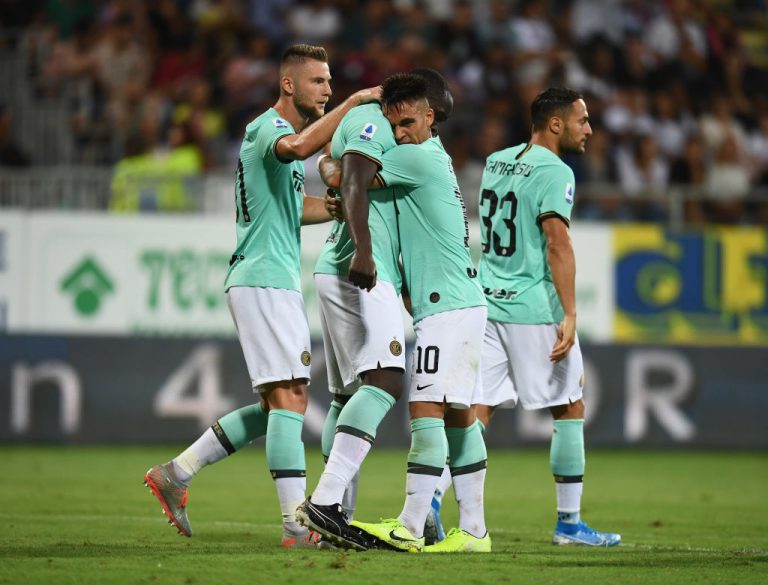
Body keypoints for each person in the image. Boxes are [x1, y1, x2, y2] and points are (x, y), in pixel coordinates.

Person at [143, 44, 381, 548]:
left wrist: (337, 206)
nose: (328, 89)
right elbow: (298, 149)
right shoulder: (268, 130)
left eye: (331, 82)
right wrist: (355, 103)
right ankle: (296, 527)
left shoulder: (282, 143)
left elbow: (293, 207)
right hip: (262, 280)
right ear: (288, 84)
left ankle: (177, 473)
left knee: (278, 404)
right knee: (291, 398)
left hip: (271, 280)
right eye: (319, 81)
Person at [295, 69, 454, 551]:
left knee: (347, 396)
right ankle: (325, 502)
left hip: (346, 267)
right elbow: (353, 179)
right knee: (386, 379)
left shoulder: (374, 123)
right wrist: (364, 252)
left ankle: (333, 517)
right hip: (360, 266)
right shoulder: (374, 120)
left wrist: (332, 169)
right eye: (420, 117)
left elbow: (334, 162)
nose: (410, 131)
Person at [343, 73, 490, 553]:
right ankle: (474, 531)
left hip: (447, 309)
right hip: (460, 303)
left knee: (425, 409)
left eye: (407, 122)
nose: (399, 133)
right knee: (461, 417)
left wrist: (330, 162)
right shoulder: (434, 156)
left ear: (430, 117)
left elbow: (348, 177)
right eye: (394, 125)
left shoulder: (416, 158)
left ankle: (408, 525)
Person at [474, 87, 620, 546]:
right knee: (570, 406)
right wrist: (570, 312)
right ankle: (569, 524)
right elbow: (557, 243)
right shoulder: (557, 172)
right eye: (582, 120)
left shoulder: (496, 161)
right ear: (556, 124)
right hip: (533, 308)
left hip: (487, 301)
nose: (589, 129)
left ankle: (432, 505)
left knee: (477, 410)